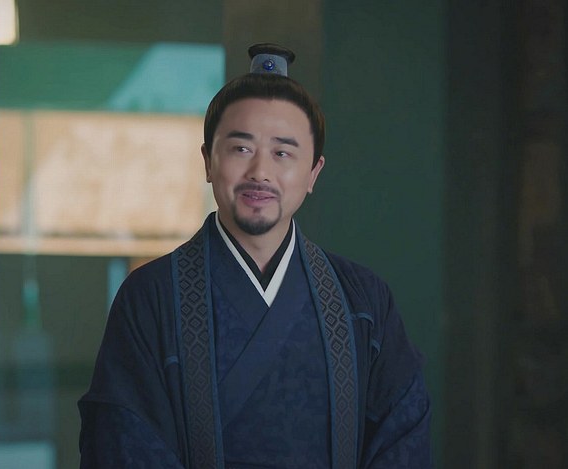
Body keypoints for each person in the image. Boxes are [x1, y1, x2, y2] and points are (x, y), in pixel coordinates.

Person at [78, 43, 431, 468]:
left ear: (313, 172)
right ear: (208, 161)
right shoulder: (150, 297)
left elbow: (403, 439)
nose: (260, 172)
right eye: (241, 149)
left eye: (282, 153)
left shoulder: (363, 301)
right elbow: (122, 440)